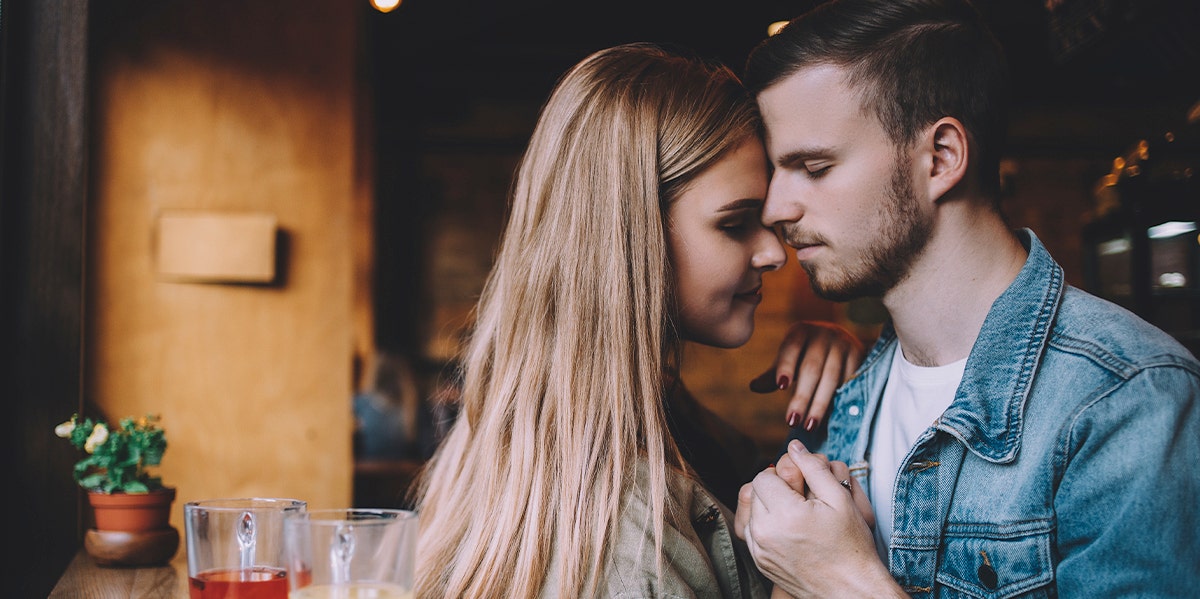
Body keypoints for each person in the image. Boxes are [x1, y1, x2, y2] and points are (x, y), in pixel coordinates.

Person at [733, 0, 1200, 596]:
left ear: (942, 158)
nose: (777, 209)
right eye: (777, 173)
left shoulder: (1127, 401)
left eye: (815, 167)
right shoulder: (846, 395)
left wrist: (844, 580)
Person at [413, 42, 865, 598]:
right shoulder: (625, 537)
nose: (774, 252)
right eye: (735, 223)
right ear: (631, 236)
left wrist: (845, 375)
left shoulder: (625, 422)